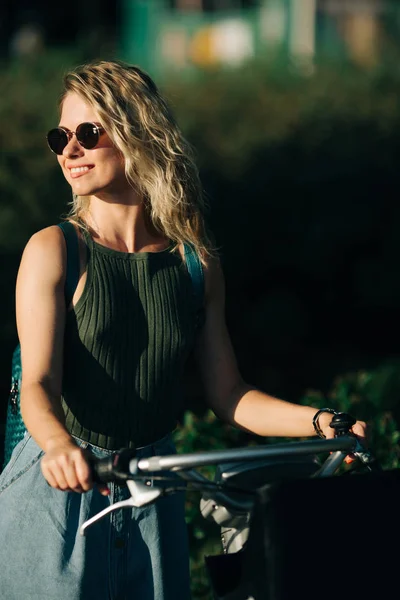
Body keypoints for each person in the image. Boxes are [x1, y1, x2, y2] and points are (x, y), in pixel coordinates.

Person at [0, 59, 367, 600]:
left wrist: (322, 422)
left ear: (137, 133)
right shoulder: (54, 250)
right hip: (59, 491)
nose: (69, 151)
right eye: (59, 137)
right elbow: (37, 383)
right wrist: (58, 448)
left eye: (87, 133)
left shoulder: (195, 263)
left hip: (154, 486)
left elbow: (230, 394)